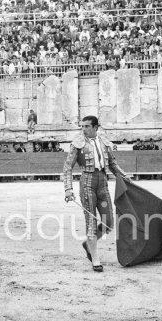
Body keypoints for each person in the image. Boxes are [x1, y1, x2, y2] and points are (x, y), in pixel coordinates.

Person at [63, 115, 132, 272]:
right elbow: (67, 167)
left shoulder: (104, 142)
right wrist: (68, 189)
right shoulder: (77, 143)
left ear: (95, 127)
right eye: (82, 126)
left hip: (102, 182)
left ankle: (88, 244)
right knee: (91, 222)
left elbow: (112, 164)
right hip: (87, 182)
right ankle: (95, 258)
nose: (84, 129)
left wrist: (123, 175)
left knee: (108, 222)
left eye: (87, 126)